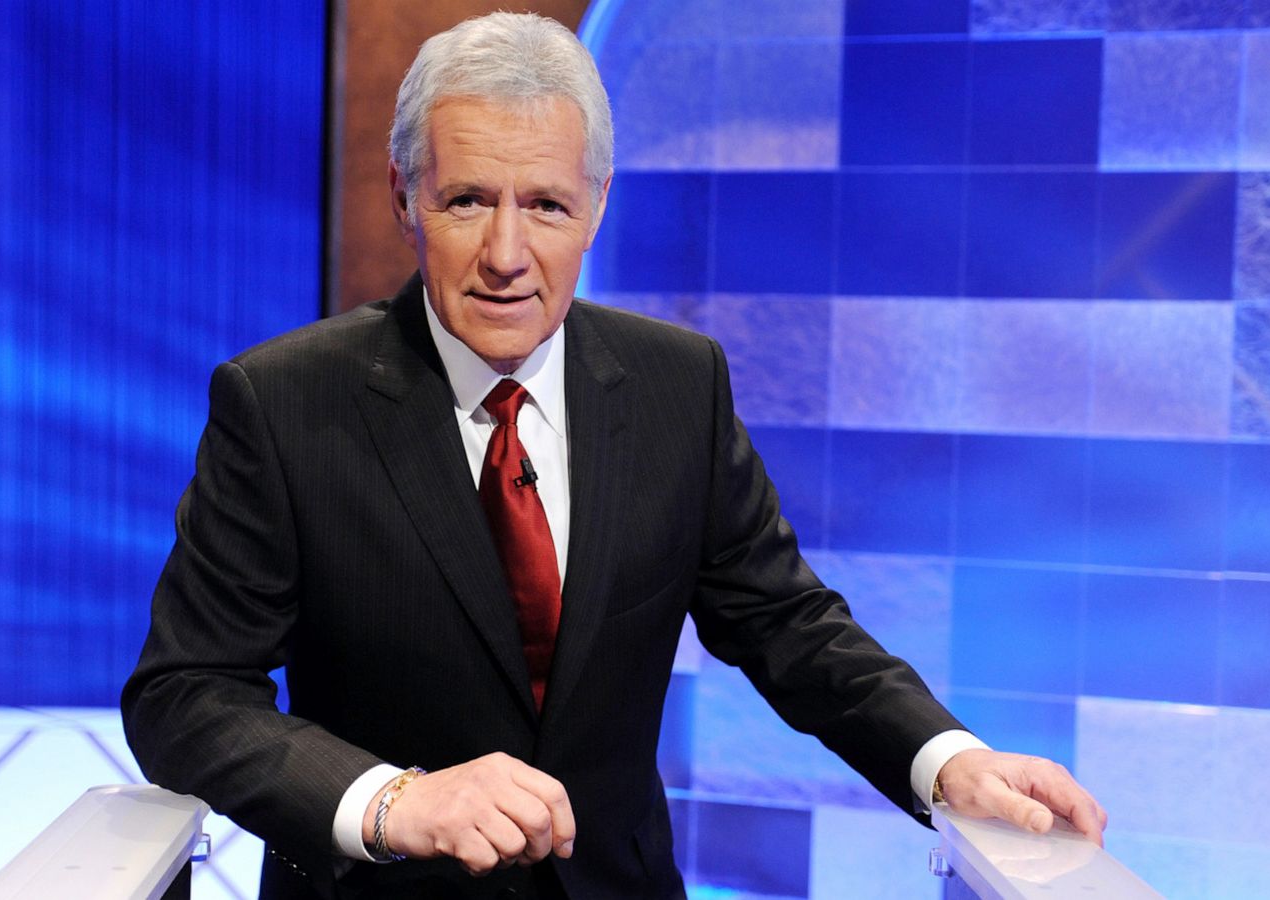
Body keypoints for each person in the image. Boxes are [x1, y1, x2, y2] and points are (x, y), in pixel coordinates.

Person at [122, 12, 1106, 900]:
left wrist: (945, 760)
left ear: (597, 206)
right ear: (404, 195)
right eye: (468, 200)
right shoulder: (284, 403)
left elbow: (787, 624)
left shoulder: (678, 384)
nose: (506, 252)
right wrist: (388, 803)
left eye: (545, 206)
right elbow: (185, 696)